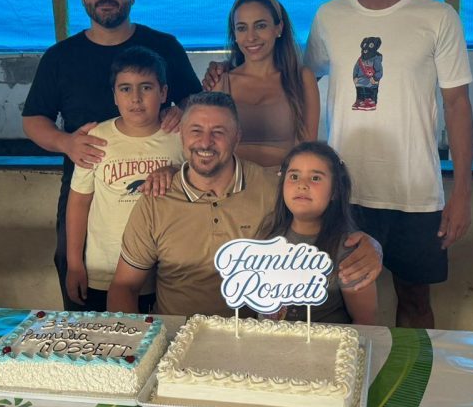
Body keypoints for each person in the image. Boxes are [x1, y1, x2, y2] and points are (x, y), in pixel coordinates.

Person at [304, 0, 473, 329]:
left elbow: (457, 104)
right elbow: (302, 80)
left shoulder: (438, 17)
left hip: (414, 192)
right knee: (338, 301)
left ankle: (410, 374)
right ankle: (349, 373)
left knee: (415, 302)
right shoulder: (329, 16)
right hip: (344, 192)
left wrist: (461, 193)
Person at [22, 0, 201, 310]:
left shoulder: (164, 46)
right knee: (85, 291)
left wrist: (181, 111)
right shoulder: (60, 57)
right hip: (90, 190)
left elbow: (198, 104)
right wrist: (66, 143)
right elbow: (33, 119)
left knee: (167, 298)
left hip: (162, 195)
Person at [107, 92, 382, 316]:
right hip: (175, 340)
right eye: (196, 131)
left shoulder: (274, 189)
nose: (205, 142)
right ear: (182, 135)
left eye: (218, 132)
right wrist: (140, 346)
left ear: (237, 136)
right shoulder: (156, 198)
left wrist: (371, 246)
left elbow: (325, 221)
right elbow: (124, 286)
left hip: (255, 342)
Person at [65, 47, 182, 312]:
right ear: (114, 96)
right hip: (104, 270)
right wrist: (74, 264)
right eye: (126, 89)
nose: (136, 98)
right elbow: (79, 202)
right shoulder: (96, 139)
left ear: (163, 93)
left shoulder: (180, 138)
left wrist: (175, 170)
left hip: (164, 272)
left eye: (146, 88)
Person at [259, 141, 377, 325]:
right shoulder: (268, 231)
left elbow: (365, 320)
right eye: (294, 176)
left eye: (315, 178)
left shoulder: (349, 250)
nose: (302, 185)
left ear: (335, 191)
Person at [214, 0, 320, 167]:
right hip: (232, 183)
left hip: (283, 182)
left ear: (279, 28)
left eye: (260, 26)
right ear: (235, 35)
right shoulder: (220, 82)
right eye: (242, 28)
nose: (251, 37)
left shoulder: (302, 79)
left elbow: (308, 150)